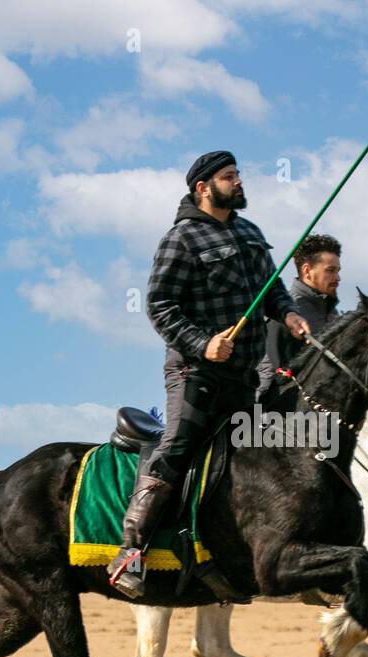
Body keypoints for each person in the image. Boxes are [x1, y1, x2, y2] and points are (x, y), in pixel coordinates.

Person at [107, 150, 310, 597]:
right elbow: (159, 306)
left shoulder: (250, 232)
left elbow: (271, 288)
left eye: (238, 174)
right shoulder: (180, 239)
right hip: (192, 371)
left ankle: (217, 554)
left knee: (248, 459)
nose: (238, 182)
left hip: (243, 376)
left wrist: (289, 313)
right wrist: (204, 344)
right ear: (203, 187)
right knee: (178, 446)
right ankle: (131, 550)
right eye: (229, 176)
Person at [257, 233, 341, 400]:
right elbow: (269, 374)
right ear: (307, 271)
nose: (337, 278)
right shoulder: (284, 312)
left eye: (338, 271)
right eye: (330, 271)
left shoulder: (332, 313)